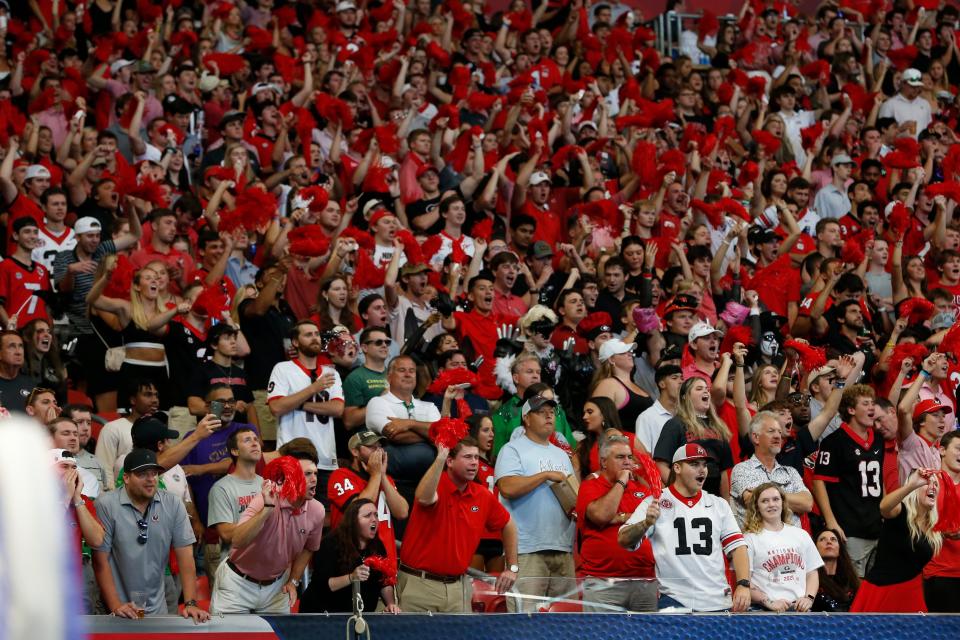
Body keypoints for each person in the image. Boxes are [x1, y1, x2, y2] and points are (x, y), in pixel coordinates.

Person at [618, 444, 752, 612]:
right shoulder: (655, 502)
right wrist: (646, 523)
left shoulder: (719, 504)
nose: (702, 470)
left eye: (704, 465)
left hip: (717, 599)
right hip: (675, 600)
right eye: (694, 464)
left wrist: (743, 584)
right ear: (677, 467)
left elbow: (738, 547)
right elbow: (623, 539)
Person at [397, 436, 518, 612]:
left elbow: (509, 524)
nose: (474, 463)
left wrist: (512, 567)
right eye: (467, 457)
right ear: (450, 461)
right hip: (420, 586)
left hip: (458, 588)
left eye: (476, 457)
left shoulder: (482, 495)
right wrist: (439, 458)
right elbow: (423, 497)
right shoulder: (436, 483)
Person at [92, 449, 209, 623]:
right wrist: (115, 605)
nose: (151, 479)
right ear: (126, 478)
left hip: (157, 607)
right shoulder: (106, 504)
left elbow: (186, 557)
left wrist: (190, 602)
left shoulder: (173, 503)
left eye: (154, 473)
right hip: (116, 609)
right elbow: (100, 560)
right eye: (142, 474)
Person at [209, 455, 324, 614]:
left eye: (316, 474)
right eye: (307, 474)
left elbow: (309, 548)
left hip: (277, 588)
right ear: (290, 478)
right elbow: (237, 540)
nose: (314, 479)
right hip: (237, 583)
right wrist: (267, 508)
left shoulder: (317, 510)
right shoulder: (265, 499)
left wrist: (293, 581)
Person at [495, 391, 576, 613]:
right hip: (527, 549)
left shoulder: (561, 455)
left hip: (562, 548)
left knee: (565, 623)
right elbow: (507, 488)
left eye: (551, 412)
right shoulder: (512, 450)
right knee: (526, 622)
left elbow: (572, 495)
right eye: (541, 412)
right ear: (526, 418)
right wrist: (544, 475)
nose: (549, 417)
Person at [576, 435, 657, 612]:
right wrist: (622, 481)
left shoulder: (642, 490)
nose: (627, 462)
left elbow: (653, 522)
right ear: (604, 462)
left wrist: (619, 517)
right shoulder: (590, 486)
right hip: (603, 583)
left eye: (629, 457)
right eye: (620, 457)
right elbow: (601, 515)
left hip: (644, 581)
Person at [812, 384, 885, 577]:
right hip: (850, 527)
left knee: (875, 586)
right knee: (854, 583)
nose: (872, 407)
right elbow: (819, 481)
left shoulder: (878, 440)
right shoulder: (834, 442)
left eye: (873, 403)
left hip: (877, 526)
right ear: (851, 409)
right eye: (866, 403)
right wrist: (830, 521)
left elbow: (879, 479)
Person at [267, 320, 344, 496]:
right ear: (295, 342)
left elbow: (338, 409)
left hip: (325, 459)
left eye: (317, 334)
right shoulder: (283, 369)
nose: (315, 338)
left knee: (323, 517)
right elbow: (276, 407)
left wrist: (299, 404)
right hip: (292, 458)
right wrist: (313, 389)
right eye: (308, 335)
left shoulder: (331, 373)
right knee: (290, 514)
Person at [850, 469, 942, 612]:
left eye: (936, 484)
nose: (933, 487)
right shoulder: (901, 512)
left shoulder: (933, 527)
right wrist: (911, 485)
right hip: (883, 591)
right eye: (926, 483)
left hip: (911, 593)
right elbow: (884, 507)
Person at [299, 499, 402, 614]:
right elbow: (322, 585)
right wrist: (351, 577)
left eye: (376, 515)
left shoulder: (377, 546)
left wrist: (390, 604)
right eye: (368, 515)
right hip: (324, 614)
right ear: (353, 521)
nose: (374, 519)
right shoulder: (331, 543)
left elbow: (383, 582)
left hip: (359, 615)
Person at [326, 430, 409, 567]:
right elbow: (359, 508)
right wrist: (376, 475)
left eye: (380, 447)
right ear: (355, 452)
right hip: (351, 563)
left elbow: (402, 512)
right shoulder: (340, 475)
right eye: (372, 447)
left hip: (385, 562)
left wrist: (382, 476)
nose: (378, 451)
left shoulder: (386, 479)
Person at [365, 355, 441, 494]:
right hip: (392, 483)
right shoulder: (378, 402)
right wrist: (430, 434)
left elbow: (443, 435)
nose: (408, 374)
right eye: (402, 370)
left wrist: (409, 424)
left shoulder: (429, 406)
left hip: (430, 482)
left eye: (412, 371)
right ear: (389, 377)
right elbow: (396, 435)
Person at [742, 482, 823, 612]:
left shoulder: (801, 535)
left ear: (783, 503)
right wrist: (769, 602)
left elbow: (812, 573)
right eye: (765, 501)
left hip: (799, 611)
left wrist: (808, 598)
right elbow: (744, 581)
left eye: (775, 499)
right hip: (764, 611)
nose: (771, 504)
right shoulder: (749, 539)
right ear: (756, 506)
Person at [653, 376, 733, 499]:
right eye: (699, 388)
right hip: (685, 496)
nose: (706, 391)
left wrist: (726, 503)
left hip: (713, 497)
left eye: (707, 389)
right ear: (685, 397)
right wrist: (679, 491)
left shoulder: (719, 426)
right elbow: (661, 464)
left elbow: (723, 472)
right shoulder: (676, 424)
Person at [731, 412, 813, 527]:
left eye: (779, 432)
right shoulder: (742, 469)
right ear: (756, 437)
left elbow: (807, 504)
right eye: (771, 431)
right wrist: (791, 499)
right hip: (758, 541)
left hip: (792, 542)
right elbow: (751, 499)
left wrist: (765, 495)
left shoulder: (791, 472)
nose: (777, 436)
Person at [206, 427, 264, 581]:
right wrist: (264, 518)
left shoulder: (266, 485)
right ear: (235, 451)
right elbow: (226, 533)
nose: (254, 443)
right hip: (236, 573)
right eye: (247, 440)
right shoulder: (221, 488)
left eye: (256, 439)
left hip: (265, 569)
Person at [591, 339, 653, 429]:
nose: (630, 354)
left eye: (629, 351)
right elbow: (596, 420)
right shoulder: (608, 384)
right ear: (611, 359)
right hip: (624, 441)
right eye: (623, 352)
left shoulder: (635, 384)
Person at [813, 528, 860, 612]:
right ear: (815, 548)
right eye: (822, 539)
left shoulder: (852, 581)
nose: (829, 542)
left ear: (840, 549)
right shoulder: (810, 580)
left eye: (833, 539)